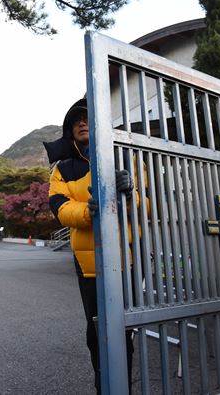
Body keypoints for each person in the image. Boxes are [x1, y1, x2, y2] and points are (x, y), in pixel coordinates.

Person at [44, 98, 136, 394]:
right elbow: (59, 208)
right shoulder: (62, 169)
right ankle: (104, 387)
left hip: (128, 260)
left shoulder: (122, 156)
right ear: (70, 131)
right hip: (89, 265)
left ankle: (123, 386)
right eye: (76, 121)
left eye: (87, 118)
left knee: (124, 330)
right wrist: (88, 212)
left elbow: (148, 205)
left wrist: (130, 193)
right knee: (96, 331)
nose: (82, 123)